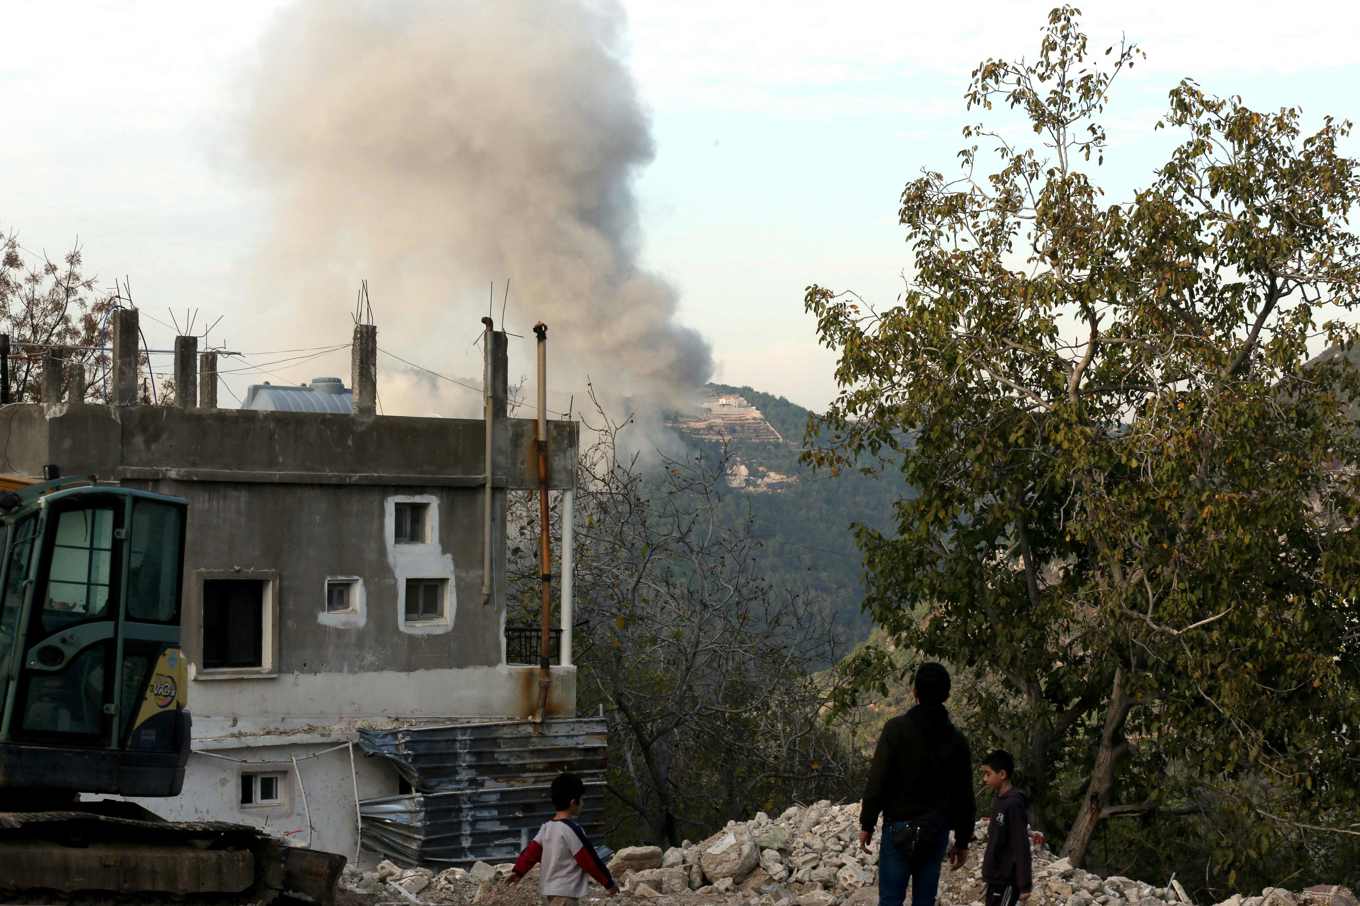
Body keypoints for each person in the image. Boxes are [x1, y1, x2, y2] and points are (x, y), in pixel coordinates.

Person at [859, 662, 976, 906]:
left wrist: (867, 823)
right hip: (935, 831)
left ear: (915, 692)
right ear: (947, 695)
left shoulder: (896, 730)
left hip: (898, 828)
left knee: (890, 900)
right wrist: (963, 840)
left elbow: (877, 780)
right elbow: (964, 795)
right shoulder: (957, 741)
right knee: (925, 901)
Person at [508, 772, 618, 904]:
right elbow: (589, 860)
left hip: (549, 894)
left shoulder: (546, 828)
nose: (583, 803)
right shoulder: (572, 830)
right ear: (573, 802)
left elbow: (530, 853)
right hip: (566, 895)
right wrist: (608, 883)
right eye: (582, 799)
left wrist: (518, 872)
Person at [980, 750, 1032, 906]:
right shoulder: (999, 800)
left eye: (988, 774)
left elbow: (1020, 844)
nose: (984, 779)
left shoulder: (1014, 804)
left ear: (1002, 774)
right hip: (995, 878)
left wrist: (1024, 885)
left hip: (1006, 879)